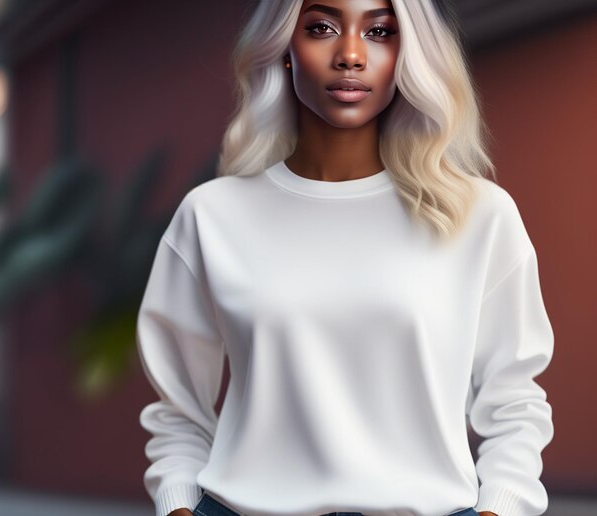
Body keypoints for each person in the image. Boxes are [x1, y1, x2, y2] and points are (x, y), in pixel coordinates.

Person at [135, 0, 555, 515]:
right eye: (321, 27)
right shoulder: (212, 217)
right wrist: (178, 507)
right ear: (286, 47)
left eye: (379, 30)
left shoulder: (479, 215)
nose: (351, 54)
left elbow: (515, 402)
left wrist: (500, 509)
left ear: (409, 52)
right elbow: (178, 410)